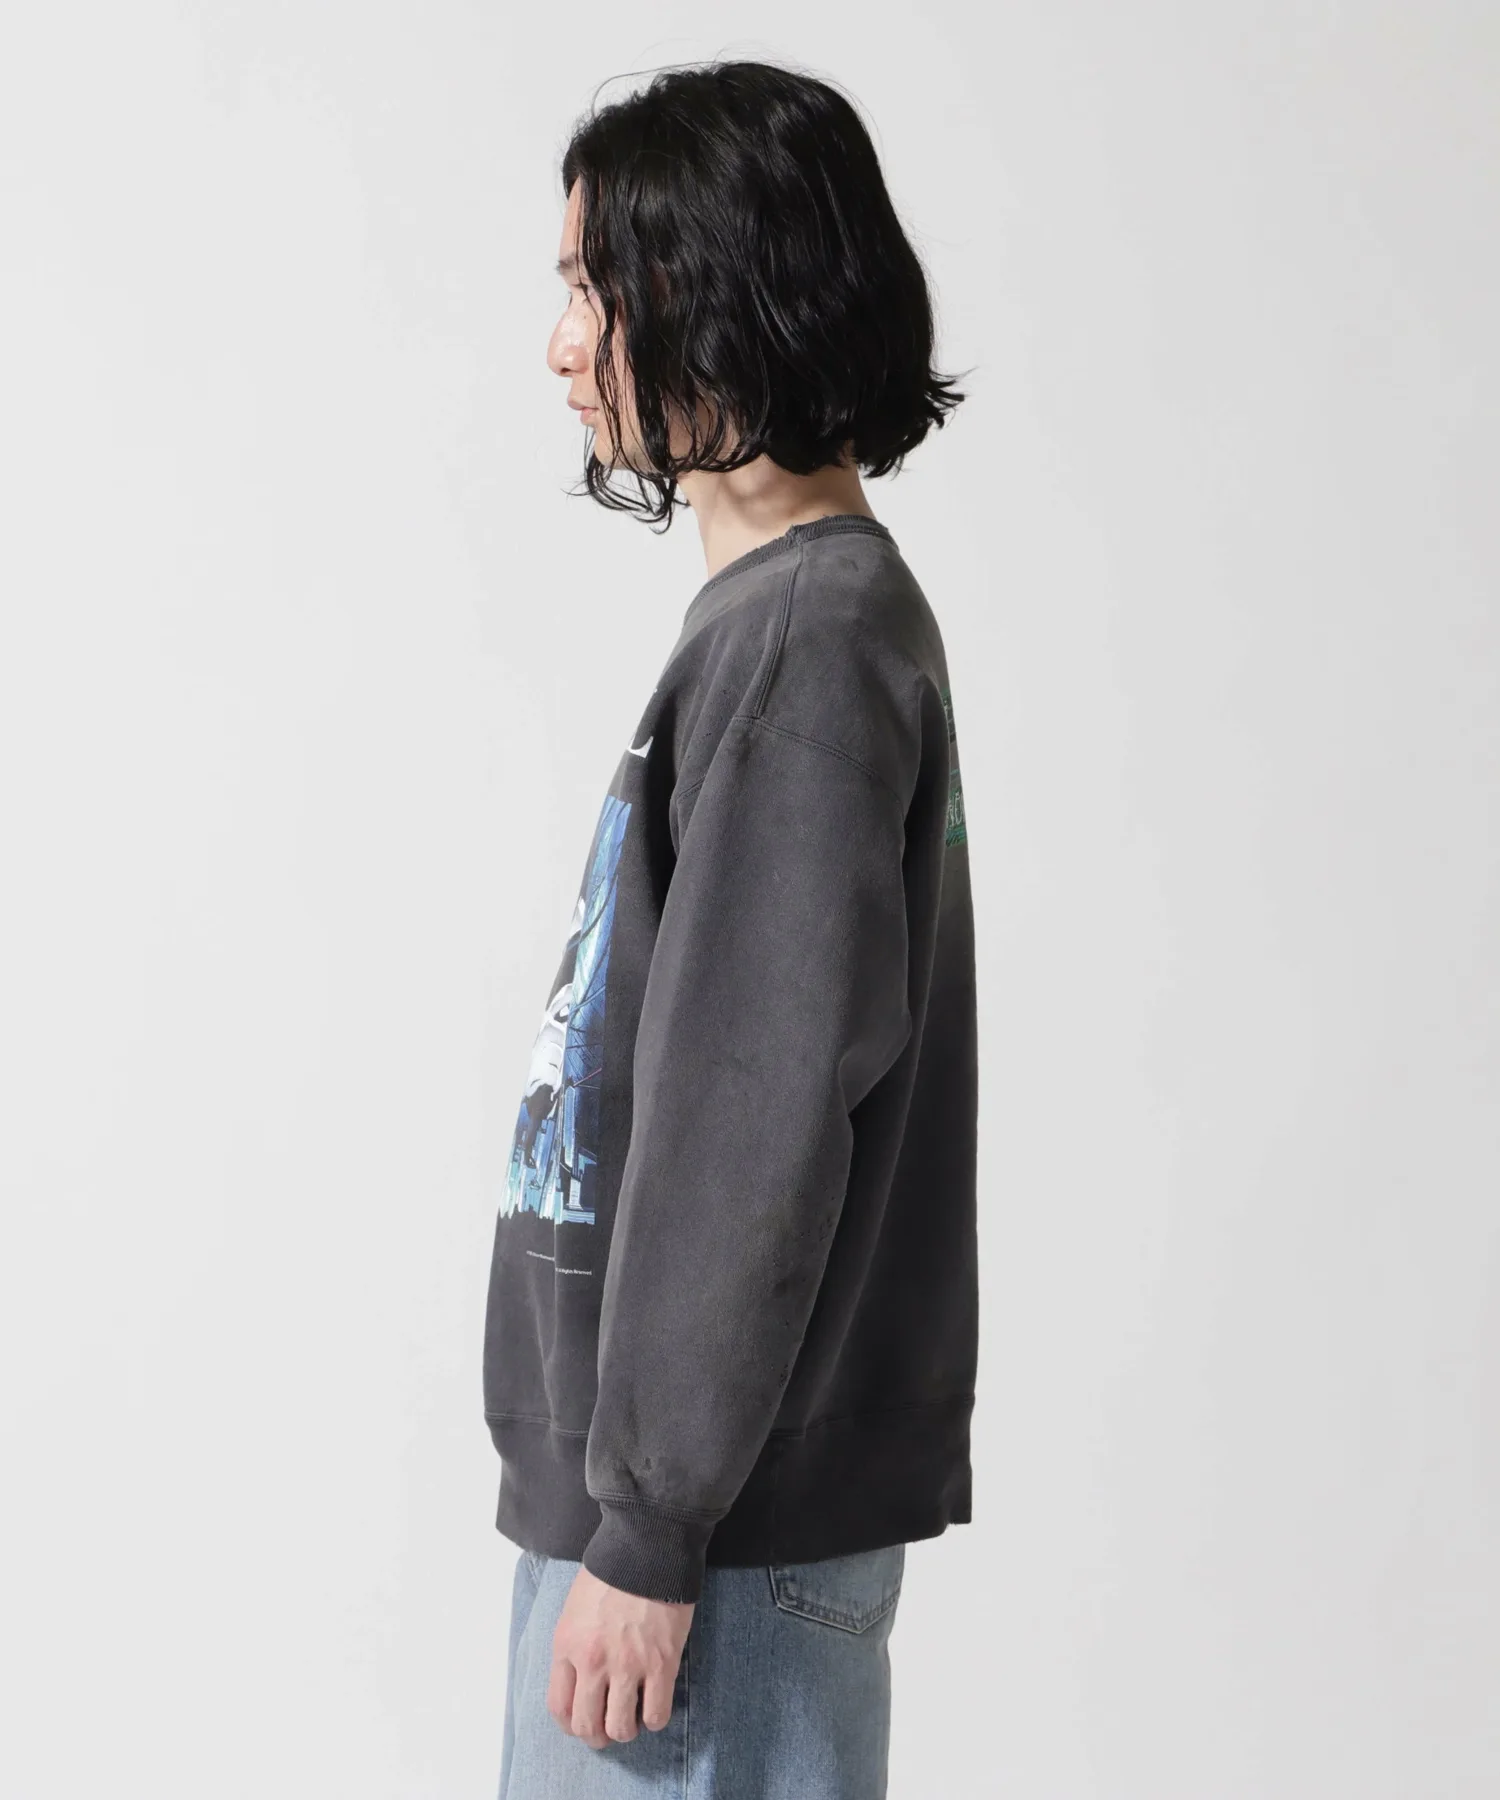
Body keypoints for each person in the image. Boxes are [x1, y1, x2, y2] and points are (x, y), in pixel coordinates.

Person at [482, 57, 979, 1799]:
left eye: (591, 287)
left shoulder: (808, 646)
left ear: (711, 291)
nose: (561, 347)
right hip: (696, 1533)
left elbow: (750, 1118)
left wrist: (649, 1522)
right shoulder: (792, 623)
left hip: (710, 1557)